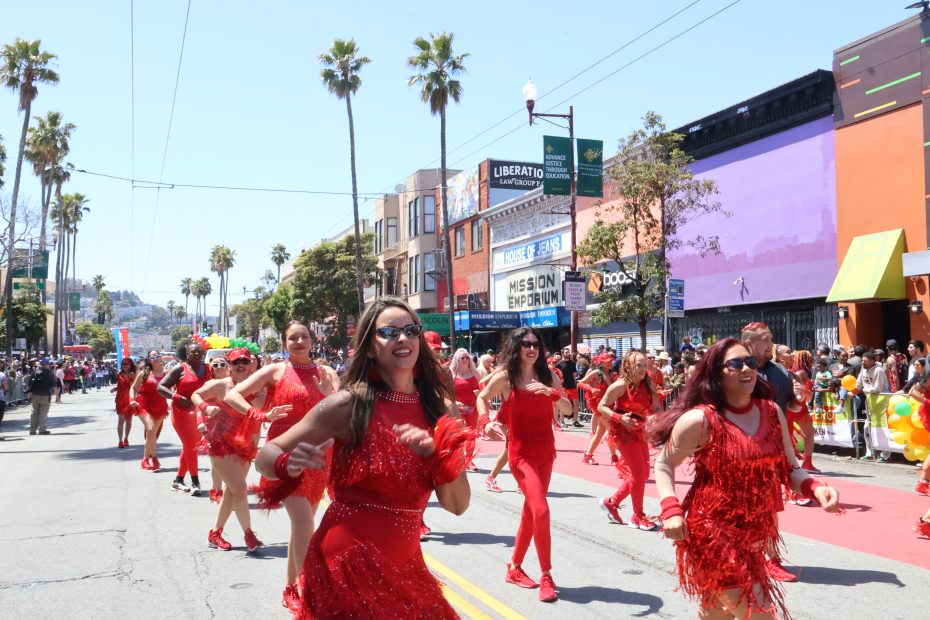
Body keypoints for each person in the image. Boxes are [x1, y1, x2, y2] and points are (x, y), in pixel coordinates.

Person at [255, 297, 472, 619]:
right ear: (370, 347)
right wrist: (288, 463)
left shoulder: (440, 409)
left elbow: (458, 505)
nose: (403, 338)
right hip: (346, 563)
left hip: (406, 567)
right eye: (389, 332)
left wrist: (436, 455)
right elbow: (265, 455)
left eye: (411, 330)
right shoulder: (348, 405)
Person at [649, 338, 840, 619]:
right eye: (735, 364)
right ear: (716, 373)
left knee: (717, 612)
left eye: (749, 362)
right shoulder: (700, 420)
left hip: (755, 532)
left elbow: (789, 467)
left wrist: (815, 487)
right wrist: (670, 509)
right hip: (712, 530)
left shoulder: (771, 412)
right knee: (759, 611)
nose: (746, 369)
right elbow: (664, 463)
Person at [226, 321, 337, 613]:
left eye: (304, 336)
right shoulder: (276, 371)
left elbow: (343, 413)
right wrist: (260, 414)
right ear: (285, 342)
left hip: (318, 458)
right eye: (292, 337)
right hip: (284, 457)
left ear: (313, 340)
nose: (299, 341)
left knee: (302, 527)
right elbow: (232, 394)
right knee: (304, 524)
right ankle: (307, 591)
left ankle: (290, 587)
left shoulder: (327, 373)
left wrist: (328, 394)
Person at [479, 327, 572, 603]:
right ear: (516, 347)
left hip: (546, 453)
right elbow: (482, 397)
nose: (532, 348)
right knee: (541, 509)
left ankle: (514, 568)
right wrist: (487, 422)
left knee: (530, 513)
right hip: (520, 455)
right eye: (526, 344)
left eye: (535, 344)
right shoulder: (506, 378)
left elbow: (569, 410)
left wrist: (552, 393)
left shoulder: (549, 377)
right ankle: (547, 575)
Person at [194, 348, 287, 553]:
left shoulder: (260, 386)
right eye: (236, 363)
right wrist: (205, 408)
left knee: (232, 491)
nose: (241, 365)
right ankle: (249, 534)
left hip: (246, 445)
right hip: (220, 443)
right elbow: (196, 395)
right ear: (229, 366)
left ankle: (215, 532)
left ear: (252, 364)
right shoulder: (221, 385)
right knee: (240, 489)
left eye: (244, 361)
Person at [597, 350, 662, 530]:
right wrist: (619, 418)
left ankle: (612, 501)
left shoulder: (648, 382)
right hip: (623, 433)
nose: (643, 369)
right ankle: (637, 516)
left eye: (644, 364)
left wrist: (656, 418)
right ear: (628, 366)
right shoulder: (619, 385)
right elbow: (601, 406)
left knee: (642, 475)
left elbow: (657, 407)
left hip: (640, 430)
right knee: (639, 474)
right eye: (638, 365)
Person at [159, 341, 213, 495]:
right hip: (181, 413)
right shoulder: (180, 369)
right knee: (191, 445)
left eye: (199, 351)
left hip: (200, 414)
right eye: (192, 352)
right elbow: (160, 387)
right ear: (186, 354)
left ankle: (178, 481)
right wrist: (177, 397)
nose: (196, 354)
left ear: (203, 353)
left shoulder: (209, 368)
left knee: (189, 446)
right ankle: (195, 482)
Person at [578, 352, 619, 466]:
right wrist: (591, 389)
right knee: (612, 430)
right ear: (601, 363)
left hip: (607, 404)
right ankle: (614, 458)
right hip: (597, 405)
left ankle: (588, 455)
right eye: (607, 361)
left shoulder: (612, 374)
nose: (610, 362)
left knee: (600, 432)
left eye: (610, 360)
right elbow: (580, 383)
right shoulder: (596, 372)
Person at [131, 351, 169, 471]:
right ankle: (155, 459)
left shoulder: (167, 373)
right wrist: (132, 399)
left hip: (160, 407)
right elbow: (133, 388)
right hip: (144, 405)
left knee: (152, 434)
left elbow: (175, 387)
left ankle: (145, 459)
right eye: (152, 357)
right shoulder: (144, 373)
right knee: (151, 429)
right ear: (149, 360)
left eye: (157, 356)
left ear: (161, 357)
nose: (155, 358)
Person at [450, 347, 481, 471]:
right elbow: (446, 391)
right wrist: (454, 401)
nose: (465, 359)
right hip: (457, 408)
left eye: (467, 357)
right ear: (457, 359)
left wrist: (480, 393)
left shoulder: (475, 372)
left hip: (473, 408)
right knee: (457, 434)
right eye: (462, 357)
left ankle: (469, 460)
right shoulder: (452, 373)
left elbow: (484, 387)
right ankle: (456, 458)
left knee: (471, 434)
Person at [856, 351, 889, 461]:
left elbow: (878, 388)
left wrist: (863, 390)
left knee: (882, 428)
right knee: (867, 428)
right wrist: (853, 389)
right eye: (862, 361)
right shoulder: (863, 369)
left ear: (872, 361)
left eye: (865, 361)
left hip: (881, 402)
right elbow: (858, 383)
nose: (863, 363)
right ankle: (869, 453)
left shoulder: (878, 370)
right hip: (870, 402)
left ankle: (885, 455)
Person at [908, 367, 930, 496]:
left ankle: (923, 482)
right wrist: (928, 402)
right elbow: (913, 392)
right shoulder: (928, 377)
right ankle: (923, 483)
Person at [26, 358, 56, 435]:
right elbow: (54, 386)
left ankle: (32, 430)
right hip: (45, 395)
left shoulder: (35, 372)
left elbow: (30, 384)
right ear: (47, 365)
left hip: (35, 395)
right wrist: (57, 397)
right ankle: (42, 430)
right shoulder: (50, 373)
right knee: (43, 413)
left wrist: (29, 393)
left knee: (34, 412)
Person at [111, 359, 136, 448]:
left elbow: (134, 387)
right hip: (120, 399)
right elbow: (119, 386)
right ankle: (120, 440)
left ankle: (126, 438)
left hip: (130, 398)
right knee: (121, 420)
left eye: (126, 364)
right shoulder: (119, 375)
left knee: (129, 420)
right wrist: (114, 389)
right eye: (123, 364)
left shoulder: (134, 374)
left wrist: (131, 378)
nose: (124, 366)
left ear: (130, 365)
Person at [556, 347, 583, 428]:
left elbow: (574, 375)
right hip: (563, 386)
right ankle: (561, 421)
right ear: (563, 353)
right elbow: (556, 374)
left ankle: (575, 421)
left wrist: (575, 384)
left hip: (572, 385)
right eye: (566, 352)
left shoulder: (572, 363)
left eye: (568, 352)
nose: (568, 353)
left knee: (576, 403)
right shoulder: (559, 363)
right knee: (564, 403)